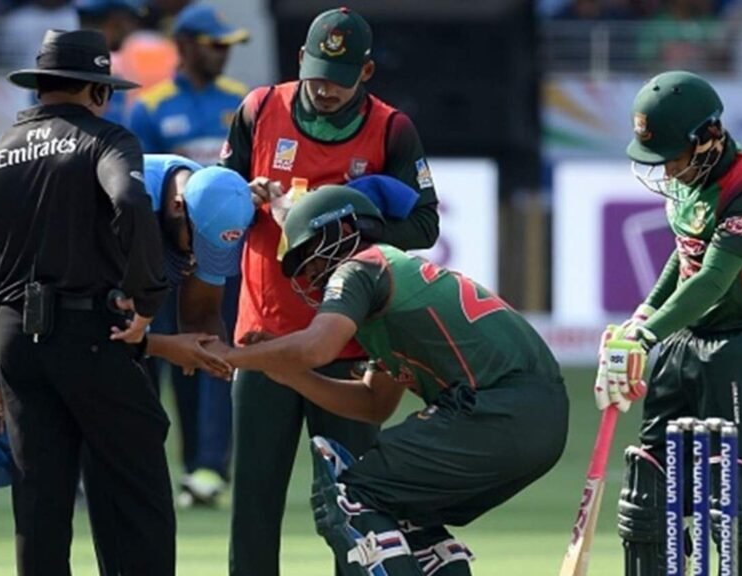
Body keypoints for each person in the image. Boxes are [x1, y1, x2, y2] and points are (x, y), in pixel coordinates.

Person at [200, 185, 568, 576]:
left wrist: (229, 355)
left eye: (307, 255)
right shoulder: (392, 289)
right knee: (406, 509)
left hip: (495, 407)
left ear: (340, 232)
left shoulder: (362, 266)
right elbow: (374, 403)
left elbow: (317, 347)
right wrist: (291, 375)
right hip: (541, 421)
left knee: (349, 495)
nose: (308, 276)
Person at [0, 29, 195, 575]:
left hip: (16, 342)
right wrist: (146, 298)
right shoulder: (107, 140)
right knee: (134, 492)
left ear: (41, 87)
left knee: (39, 503)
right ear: (99, 91)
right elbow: (131, 199)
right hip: (93, 335)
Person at [219, 7, 440, 575]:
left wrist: (355, 224)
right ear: (301, 61)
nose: (325, 90)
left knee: (353, 505)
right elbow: (218, 201)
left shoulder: (392, 128)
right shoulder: (259, 108)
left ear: (365, 72)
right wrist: (246, 195)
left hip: (349, 343)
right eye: (317, 75)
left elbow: (424, 226)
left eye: (339, 80)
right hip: (265, 338)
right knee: (254, 505)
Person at [597, 70, 742, 576]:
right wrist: (641, 315)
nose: (665, 171)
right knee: (650, 493)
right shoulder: (687, 181)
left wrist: (645, 334)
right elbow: (682, 260)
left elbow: (711, 282)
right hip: (682, 345)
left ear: (707, 138)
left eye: (671, 157)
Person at [136, 153, 254, 507]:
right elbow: (98, 332)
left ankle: (201, 466)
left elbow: (204, 308)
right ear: (175, 207)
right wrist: (164, 345)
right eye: (198, 244)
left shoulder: (215, 203)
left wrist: (208, 349)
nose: (199, 256)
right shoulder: (126, 203)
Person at [129, 2, 249, 164]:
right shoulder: (149, 107)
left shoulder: (242, 99)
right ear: (184, 45)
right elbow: (144, 174)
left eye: (227, 46)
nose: (224, 55)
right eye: (215, 46)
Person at [75, 0, 145, 124]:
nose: (132, 29)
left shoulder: (51, 65)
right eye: (132, 20)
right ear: (117, 21)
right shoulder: (108, 71)